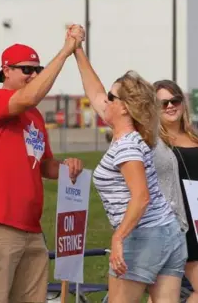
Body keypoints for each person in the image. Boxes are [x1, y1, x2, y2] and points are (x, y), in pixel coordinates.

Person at [0, 27, 85, 302]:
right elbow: (30, 96)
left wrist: (69, 168)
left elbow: (44, 166)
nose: (33, 75)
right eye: (26, 69)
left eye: (37, 69)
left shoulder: (34, 116)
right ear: (6, 70)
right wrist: (66, 51)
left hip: (31, 229)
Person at [72, 28, 187, 303]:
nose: (104, 102)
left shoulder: (126, 146)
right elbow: (95, 90)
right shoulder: (136, 135)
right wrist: (76, 50)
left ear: (124, 107)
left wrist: (118, 238)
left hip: (143, 236)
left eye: (112, 98)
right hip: (169, 235)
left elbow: (141, 197)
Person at [151, 79, 198, 302]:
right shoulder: (153, 142)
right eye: (163, 103)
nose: (170, 106)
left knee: (163, 295)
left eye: (174, 100)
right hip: (176, 223)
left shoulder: (195, 137)